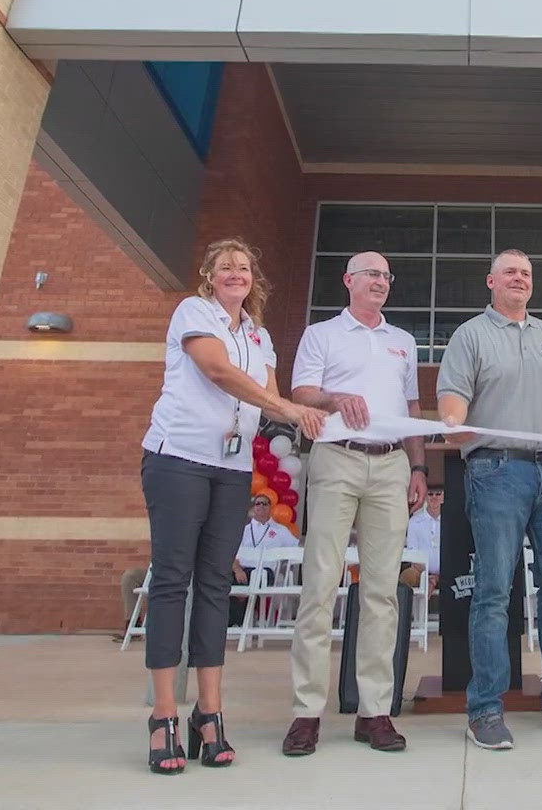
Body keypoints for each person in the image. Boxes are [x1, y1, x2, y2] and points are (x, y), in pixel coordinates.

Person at [139, 238, 326, 773]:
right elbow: (219, 373)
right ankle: (163, 715)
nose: (235, 273)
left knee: (218, 583)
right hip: (178, 458)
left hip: (231, 468)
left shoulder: (259, 334)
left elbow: (268, 394)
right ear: (209, 276)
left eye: (244, 267)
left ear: (253, 279)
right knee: (173, 580)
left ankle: (210, 712)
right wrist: (288, 408)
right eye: (225, 267)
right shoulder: (194, 313)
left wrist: (311, 416)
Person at [437, 249, 542, 750]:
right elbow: (452, 397)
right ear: (490, 279)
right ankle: (485, 709)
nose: (519, 279)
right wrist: (453, 423)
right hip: (495, 470)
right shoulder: (470, 335)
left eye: (527, 273)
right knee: (492, 591)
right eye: (510, 271)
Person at [283, 251, 427, 755]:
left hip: (391, 466)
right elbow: (301, 390)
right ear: (348, 281)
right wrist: (335, 399)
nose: (381, 282)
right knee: (320, 586)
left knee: (382, 594)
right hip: (337, 459)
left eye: (387, 275)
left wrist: (419, 467)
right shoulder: (322, 334)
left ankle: (375, 712)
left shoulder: (403, 342)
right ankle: (306, 713)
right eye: (371, 274)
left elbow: (411, 408)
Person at [229, 494, 291, 627]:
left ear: (270, 508)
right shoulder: (242, 530)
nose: (261, 506)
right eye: (258, 503)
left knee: (252, 582)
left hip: (264, 572)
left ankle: (243, 623)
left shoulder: (280, 531)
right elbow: (230, 553)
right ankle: (235, 623)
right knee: (230, 580)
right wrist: (238, 570)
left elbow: (296, 549)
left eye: (265, 504)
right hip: (242, 571)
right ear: (253, 508)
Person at [403, 486, 444, 592]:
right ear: (425, 496)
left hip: (447, 573)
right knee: (407, 576)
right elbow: (413, 554)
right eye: (430, 494)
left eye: (438, 494)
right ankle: (405, 607)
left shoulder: (452, 520)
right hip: (420, 572)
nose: (434, 497)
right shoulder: (414, 521)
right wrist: (427, 577)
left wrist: (437, 577)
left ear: (443, 496)